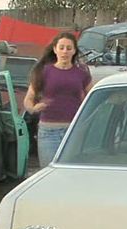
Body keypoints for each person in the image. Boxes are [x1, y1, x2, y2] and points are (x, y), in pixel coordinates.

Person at [24, 32, 92, 167]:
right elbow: (28, 100)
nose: (65, 51)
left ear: (74, 51)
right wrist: (33, 108)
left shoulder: (81, 73)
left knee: (72, 172)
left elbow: (92, 98)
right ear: (55, 49)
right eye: (61, 48)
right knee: (49, 172)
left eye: (68, 48)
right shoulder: (44, 72)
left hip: (74, 130)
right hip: (48, 131)